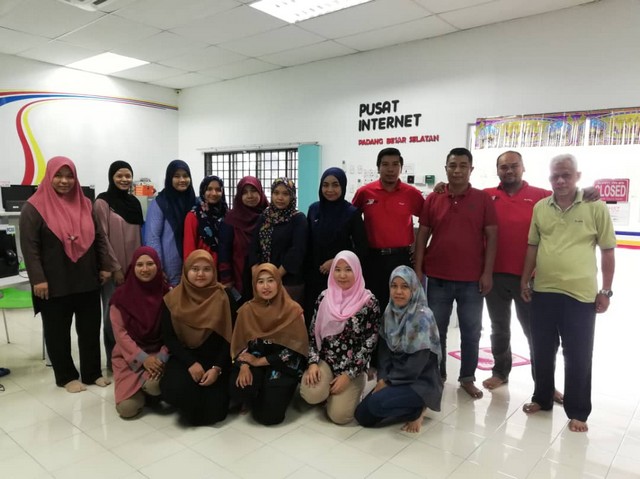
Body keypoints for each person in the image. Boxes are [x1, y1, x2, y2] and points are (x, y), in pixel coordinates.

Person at [520, 154, 615, 433]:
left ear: (578, 176)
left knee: (578, 354)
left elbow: (607, 250)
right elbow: (533, 246)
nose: (560, 181)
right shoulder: (541, 207)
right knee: (541, 349)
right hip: (544, 290)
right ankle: (542, 398)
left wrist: (606, 290)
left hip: (580, 295)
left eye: (566, 175)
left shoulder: (595, 206)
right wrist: (525, 280)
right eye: (555, 176)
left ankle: (578, 411)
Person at [20, 156, 115, 393]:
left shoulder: (86, 204)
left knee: (89, 329)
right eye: (59, 176)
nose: (65, 181)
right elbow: (29, 247)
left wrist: (105, 265)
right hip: (53, 282)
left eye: (69, 176)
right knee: (57, 332)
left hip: (87, 278)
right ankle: (65, 376)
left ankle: (92, 373)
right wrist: (38, 279)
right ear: (49, 176)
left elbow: (100, 238)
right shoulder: (34, 207)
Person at [414, 147, 497, 399]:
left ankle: (467, 378)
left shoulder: (483, 199)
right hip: (437, 277)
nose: (457, 170)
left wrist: (487, 273)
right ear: (446, 168)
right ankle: (437, 375)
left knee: (471, 331)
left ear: (471, 169)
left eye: (463, 165)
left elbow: (492, 237)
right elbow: (422, 235)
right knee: (436, 330)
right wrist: (418, 270)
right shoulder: (434, 198)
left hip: (472, 280)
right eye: (452, 165)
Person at [354, 266, 442, 432]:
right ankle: (403, 404)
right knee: (362, 416)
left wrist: (388, 382)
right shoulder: (390, 312)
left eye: (404, 286)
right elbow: (384, 352)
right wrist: (382, 377)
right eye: (394, 286)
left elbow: (416, 365)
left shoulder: (422, 317)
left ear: (413, 289)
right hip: (395, 376)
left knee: (376, 404)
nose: (398, 291)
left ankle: (417, 409)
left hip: (420, 381)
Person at [300, 250, 379, 424]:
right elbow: (312, 334)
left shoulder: (368, 302)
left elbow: (370, 343)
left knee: (340, 417)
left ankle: (352, 387)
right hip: (327, 360)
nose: (342, 275)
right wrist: (313, 363)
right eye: (337, 269)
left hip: (352, 366)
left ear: (357, 271)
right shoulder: (324, 297)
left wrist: (348, 375)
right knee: (310, 393)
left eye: (348, 269)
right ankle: (327, 390)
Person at [160, 249, 234, 426]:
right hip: (185, 357)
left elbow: (230, 337)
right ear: (186, 271)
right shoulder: (172, 299)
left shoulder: (224, 296)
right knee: (175, 391)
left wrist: (216, 368)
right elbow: (169, 338)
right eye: (195, 269)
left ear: (213, 272)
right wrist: (191, 363)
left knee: (215, 413)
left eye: (206, 269)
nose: (200, 274)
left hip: (216, 358)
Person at [230, 263, 308, 425]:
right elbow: (240, 343)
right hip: (254, 359)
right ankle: (257, 392)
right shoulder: (247, 310)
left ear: (278, 282)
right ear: (254, 285)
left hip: (282, 364)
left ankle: (270, 393)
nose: (266, 286)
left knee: (270, 417)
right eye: (260, 281)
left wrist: (259, 361)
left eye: (270, 280)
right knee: (239, 388)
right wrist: (244, 366)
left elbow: (294, 350)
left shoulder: (293, 310)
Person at [352, 147, 423, 309]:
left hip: (401, 259)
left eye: (395, 164)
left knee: (402, 307)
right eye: (385, 164)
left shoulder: (411, 193)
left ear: (401, 168)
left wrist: (418, 252)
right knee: (373, 306)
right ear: (378, 168)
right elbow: (350, 220)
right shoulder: (364, 193)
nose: (390, 169)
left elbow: (427, 223)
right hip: (372, 259)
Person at [94, 160, 143, 371]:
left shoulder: (134, 203)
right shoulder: (102, 203)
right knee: (112, 317)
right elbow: (102, 237)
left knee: (133, 315)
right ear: (111, 177)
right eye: (119, 176)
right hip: (114, 271)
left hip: (136, 271)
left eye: (128, 175)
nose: (124, 179)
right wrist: (115, 268)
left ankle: (132, 359)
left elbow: (140, 236)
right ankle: (113, 361)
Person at [110, 246, 169, 419]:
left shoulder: (168, 294)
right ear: (132, 267)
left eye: (150, 264)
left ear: (158, 266)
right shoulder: (120, 298)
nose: (145, 269)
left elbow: (173, 333)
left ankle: (148, 390)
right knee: (127, 409)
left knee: (154, 386)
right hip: (128, 355)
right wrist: (143, 359)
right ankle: (142, 391)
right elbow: (121, 335)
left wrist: (161, 358)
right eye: (140, 264)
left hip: (158, 354)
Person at [305, 168, 368, 325]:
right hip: (314, 275)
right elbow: (308, 242)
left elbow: (361, 247)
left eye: (335, 185)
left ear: (343, 186)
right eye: (325, 185)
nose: (330, 189)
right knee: (313, 317)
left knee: (336, 320)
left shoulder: (352, 213)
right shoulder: (314, 209)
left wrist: (335, 262)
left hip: (341, 276)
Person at [248, 178, 307, 305]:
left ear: (292, 196)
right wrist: (257, 274)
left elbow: (297, 251)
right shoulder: (264, 217)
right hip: (264, 280)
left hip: (288, 282)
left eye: (285, 193)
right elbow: (254, 246)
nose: (280, 197)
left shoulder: (298, 219)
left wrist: (275, 276)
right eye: (276, 193)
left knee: (287, 315)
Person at [145, 160, 195, 286]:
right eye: (177, 176)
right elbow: (152, 238)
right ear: (169, 178)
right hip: (170, 267)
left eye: (185, 176)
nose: (182, 180)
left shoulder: (195, 202)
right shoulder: (160, 203)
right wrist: (158, 266)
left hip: (194, 265)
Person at [222, 176, 268, 298]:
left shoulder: (270, 216)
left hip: (267, 276)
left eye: (253, 191)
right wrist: (226, 278)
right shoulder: (231, 219)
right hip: (240, 275)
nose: (250, 196)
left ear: (260, 191)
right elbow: (224, 251)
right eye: (245, 192)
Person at [183, 175, 231, 265]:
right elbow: (189, 250)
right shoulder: (194, 216)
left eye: (218, 189)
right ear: (203, 191)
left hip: (225, 268)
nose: (214, 193)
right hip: (202, 268)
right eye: (209, 189)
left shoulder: (227, 214)